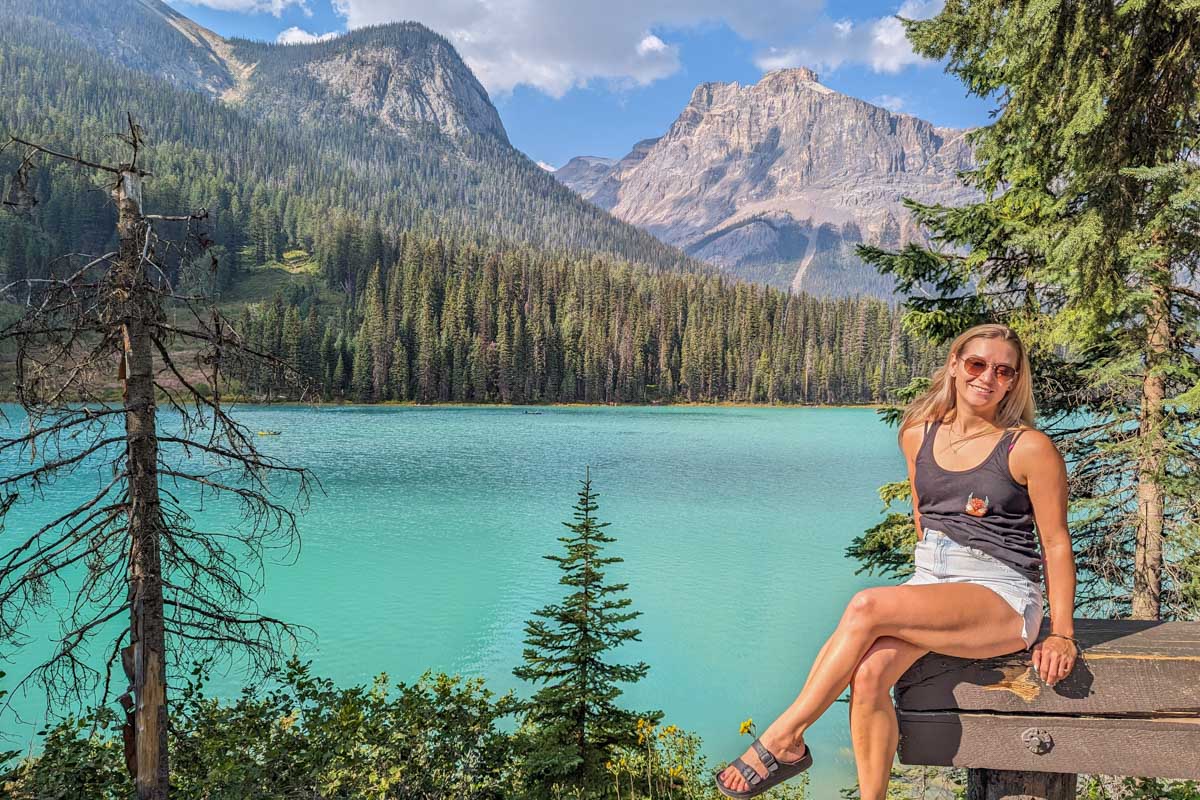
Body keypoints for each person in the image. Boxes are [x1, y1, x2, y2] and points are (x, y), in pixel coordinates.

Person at [714, 323, 1078, 799]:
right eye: (976, 364)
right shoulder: (917, 435)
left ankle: (783, 738)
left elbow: (1055, 545)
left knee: (867, 607)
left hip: (1002, 593)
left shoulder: (1028, 447)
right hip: (931, 582)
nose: (987, 377)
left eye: (1003, 370)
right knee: (867, 677)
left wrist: (1062, 633)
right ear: (954, 365)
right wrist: (927, 584)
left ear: (1013, 381)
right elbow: (922, 518)